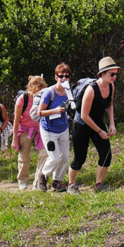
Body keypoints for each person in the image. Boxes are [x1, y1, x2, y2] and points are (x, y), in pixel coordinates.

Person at [67, 58, 120, 194]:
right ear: (102, 74)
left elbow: (109, 105)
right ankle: (71, 184)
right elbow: (84, 115)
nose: (114, 77)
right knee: (80, 157)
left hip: (97, 122)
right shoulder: (91, 90)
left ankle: (98, 183)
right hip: (82, 124)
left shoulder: (111, 86)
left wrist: (112, 124)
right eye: (111, 74)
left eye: (115, 74)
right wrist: (100, 131)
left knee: (106, 153)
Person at [36, 64, 75, 193]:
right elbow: (39, 112)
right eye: (61, 76)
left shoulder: (69, 92)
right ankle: (43, 176)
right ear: (55, 77)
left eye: (67, 76)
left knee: (64, 158)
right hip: (49, 129)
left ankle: (57, 181)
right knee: (55, 158)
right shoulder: (49, 92)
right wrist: (54, 111)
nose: (64, 78)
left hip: (63, 127)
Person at [11, 79, 47, 190]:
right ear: (30, 88)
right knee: (24, 156)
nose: (39, 92)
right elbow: (16, 120)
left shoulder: (44, 97)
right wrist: (14, 139)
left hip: (40, 128)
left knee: (44, 154)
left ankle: (37, 183)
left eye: (41, 89)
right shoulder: (23, 99)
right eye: (37, 89)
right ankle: (22, 181)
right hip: (25, 129)